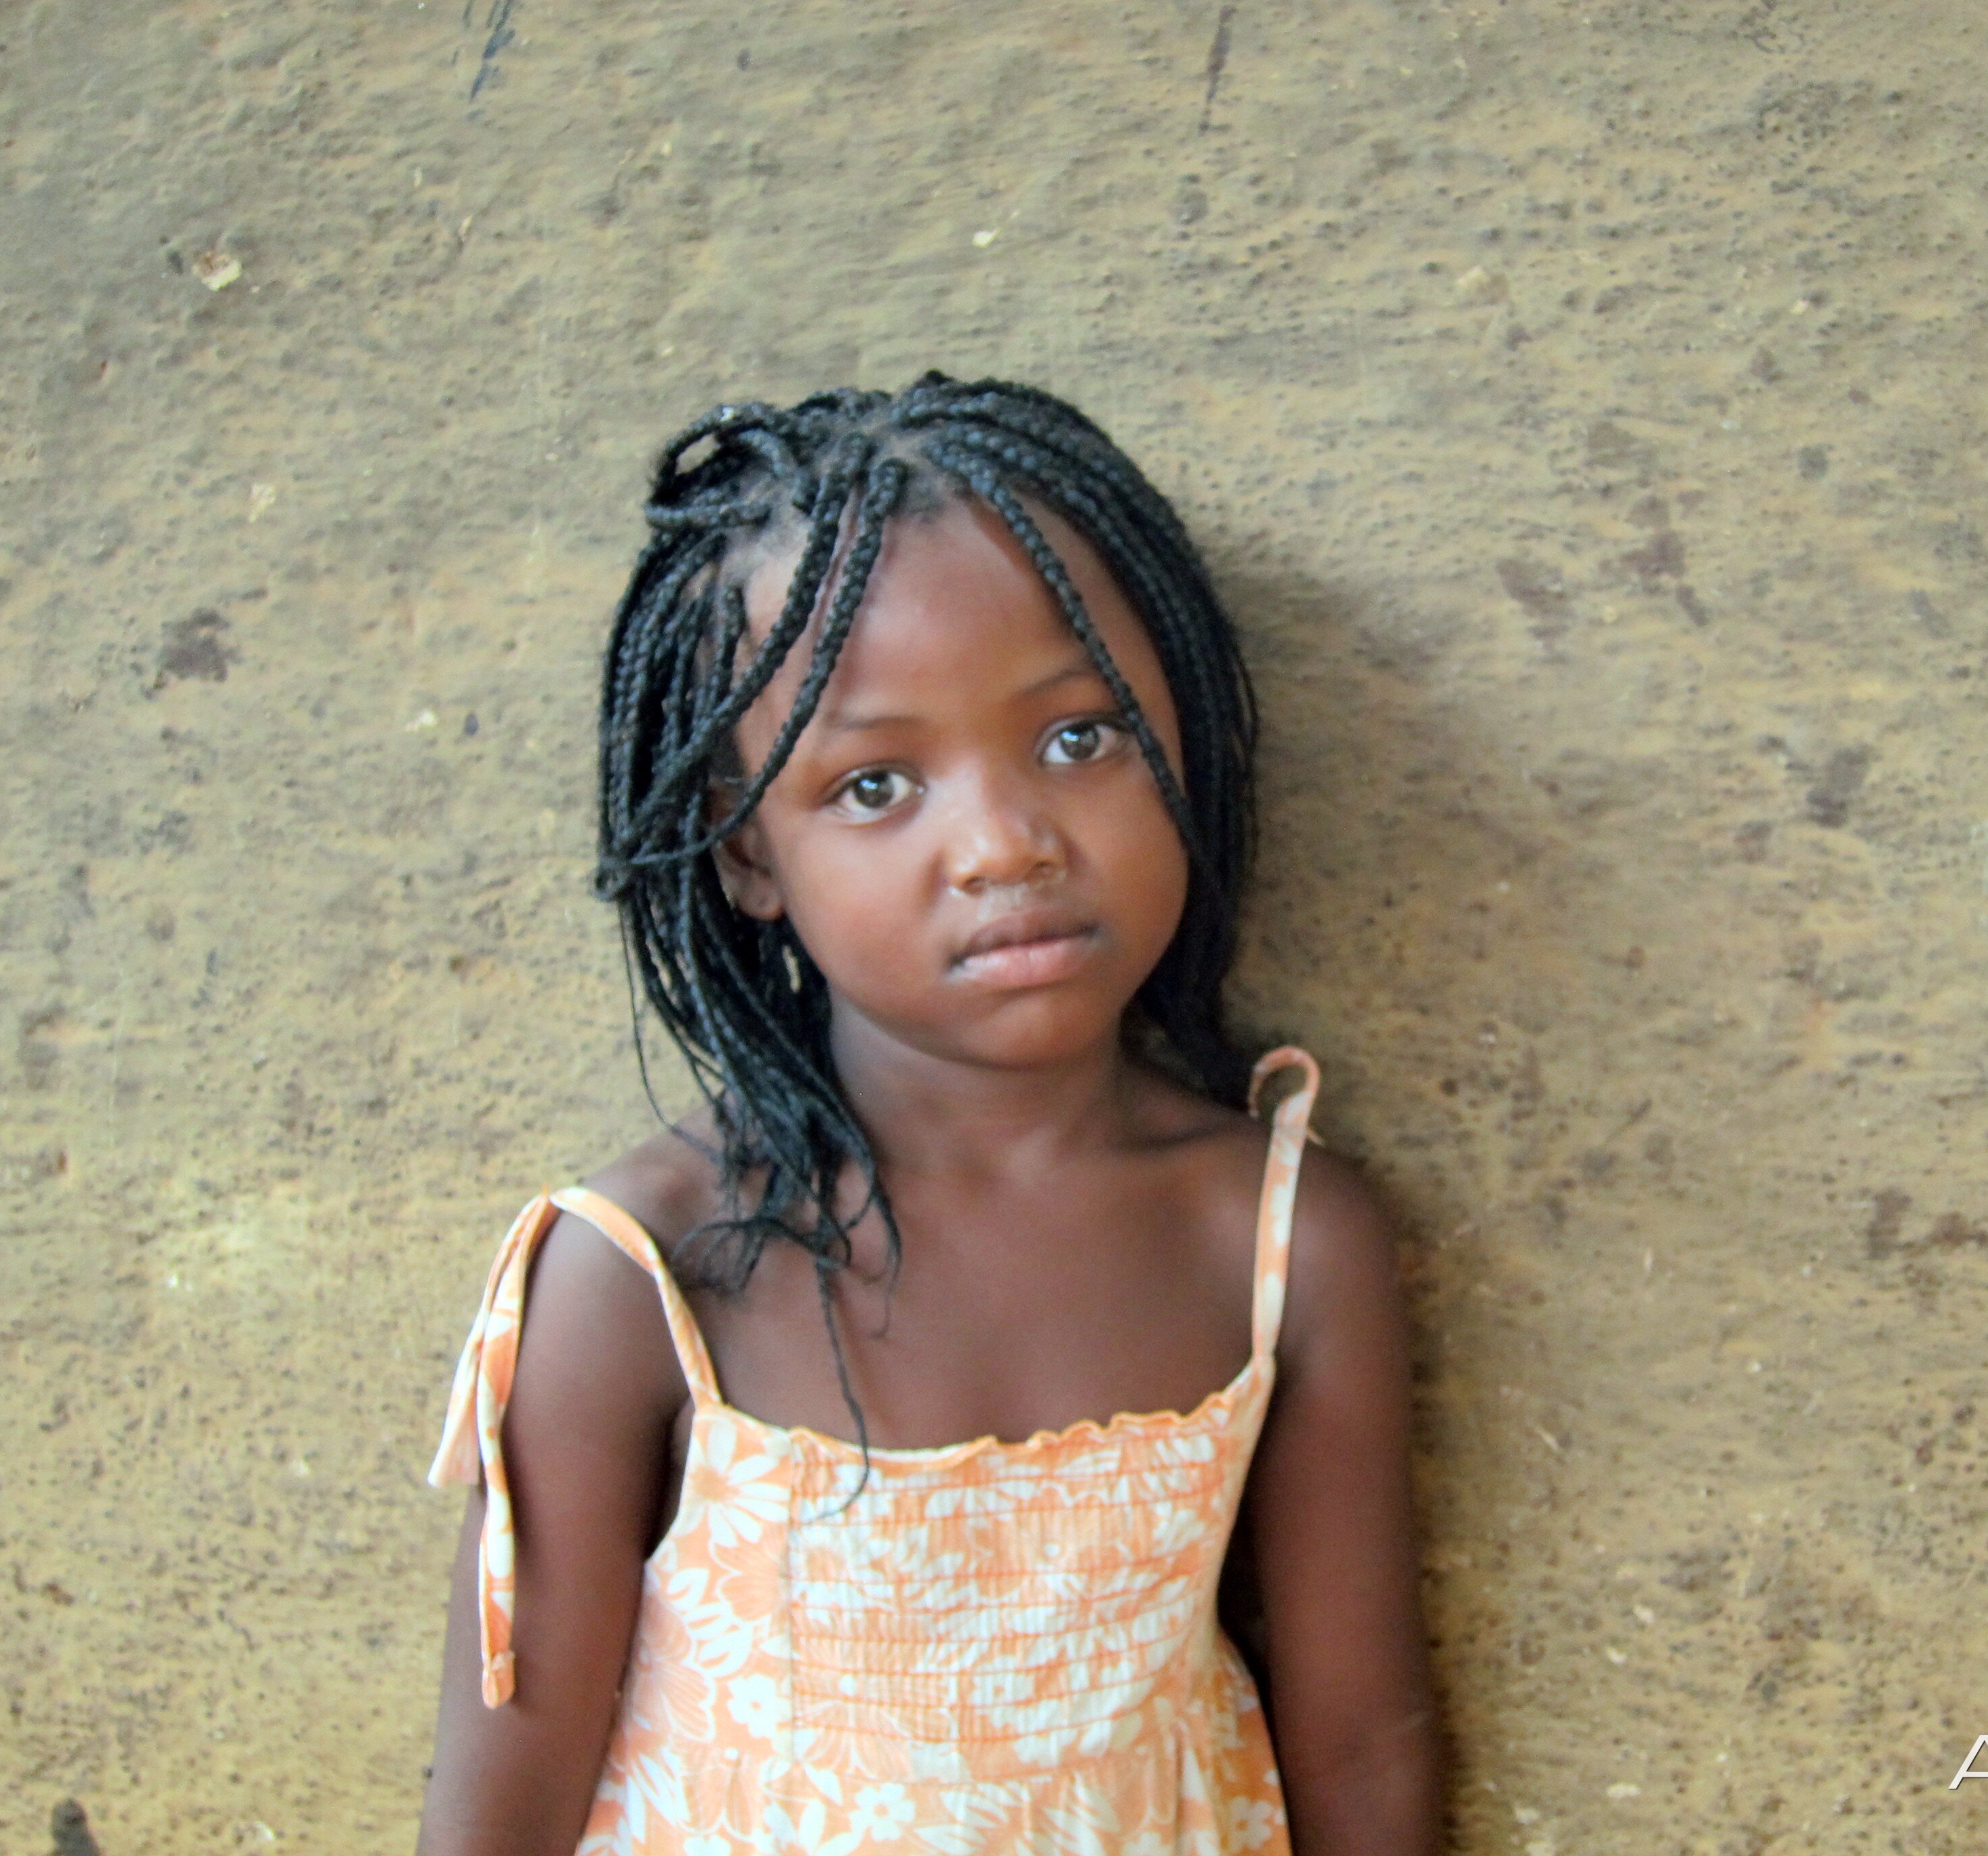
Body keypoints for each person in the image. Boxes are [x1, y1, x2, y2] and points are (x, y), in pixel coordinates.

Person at [414, 376, 1443, 1855]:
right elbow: (495, 1811)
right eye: (875, 783)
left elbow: (1363, 1748)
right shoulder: (645, 1278)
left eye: (1082, 738)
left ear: (1191, 738)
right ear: (746, 850)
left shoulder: (1281, 1243)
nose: (1004, 843)